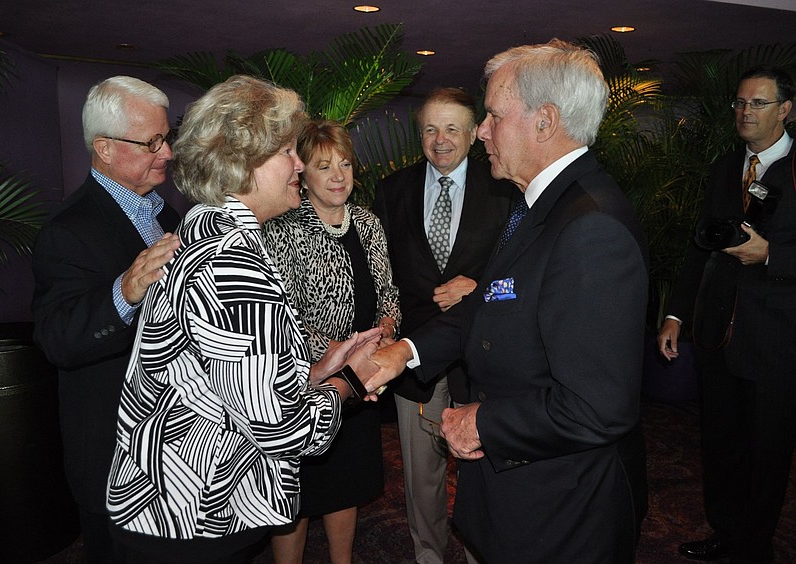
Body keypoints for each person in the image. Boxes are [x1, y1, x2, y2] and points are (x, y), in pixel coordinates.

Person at [365, 39, 649, 563]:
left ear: (544, 122)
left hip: (562, 509)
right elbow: (492, 301)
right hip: (527, 493)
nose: (482, 131)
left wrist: (481, 423)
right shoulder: (541, 205)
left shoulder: (590, 227)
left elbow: (598, 407)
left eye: (493, 115)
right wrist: (405, 351)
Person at [105, 75, 383, 564]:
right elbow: (282, 428)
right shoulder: (232, 263)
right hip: (190, 519)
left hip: (167, 505)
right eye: (287, 153)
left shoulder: (203, 226)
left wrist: (315, 371)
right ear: (242, 163)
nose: (299, 164)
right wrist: (350, 382)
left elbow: (227, 377)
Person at [31, 76, 181, 564]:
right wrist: (125, 290)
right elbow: (59, 341)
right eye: (152, 142)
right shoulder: (67, 230)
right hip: (116, 456)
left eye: (167, 137)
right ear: (105, 149)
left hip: (176, 451)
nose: (167, 154)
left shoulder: (167, 214)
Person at [658, 66, 796, 563]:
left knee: (767, 452)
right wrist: (675, 315)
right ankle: (726, 532)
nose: (745, 112)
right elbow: (701, 246)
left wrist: (773, 257)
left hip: (777, 340)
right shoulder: (724, 167)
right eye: (739, 103)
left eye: (757, 104)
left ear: (786, 109)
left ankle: (754, 546)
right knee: (721, 443)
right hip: (719, 334)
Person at [371, 87, 513, 564]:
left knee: (483, 466)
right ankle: (427, 555)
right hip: (414, 356)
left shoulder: (505, 187)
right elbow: (380, 270)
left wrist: (477, 285)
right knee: (421, 473)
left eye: (452, 128)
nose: (441, 139)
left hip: (482, 352)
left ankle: (480, 553)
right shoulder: (393, 190)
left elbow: (522, 266)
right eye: (431, 128)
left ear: (474, 133)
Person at [263, 119, 401, 564]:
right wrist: (347, 356)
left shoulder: (367, 221)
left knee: (348, 484)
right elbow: (288, 315)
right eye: (325, 167)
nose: (339, 176)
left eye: (345, 164)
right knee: (299, 496)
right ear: (302, 172)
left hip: (365, 381)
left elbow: (389, 294)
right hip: (310, 385)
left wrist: (385, 336)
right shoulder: (283, 227)